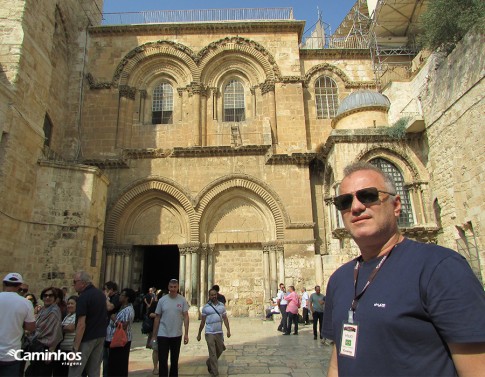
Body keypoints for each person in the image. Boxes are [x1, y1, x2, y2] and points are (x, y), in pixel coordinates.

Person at [323, 162, 485, 377]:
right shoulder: (340, 279)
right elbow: (338, 363)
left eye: (368, 196)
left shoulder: (440, 268)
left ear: (396, 205)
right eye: (344, 201)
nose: (356, 207)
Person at [69, 271, 107, 377]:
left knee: (75, 370)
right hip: (100, 336)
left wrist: (75, 348)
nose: (73, 284)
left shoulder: (83, 297)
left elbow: (81, 324)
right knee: (94, 370)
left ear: (83, 283)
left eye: (74, 282)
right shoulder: (100, 294)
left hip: (86, 338)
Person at [151, 279, 189, 377]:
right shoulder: (162, 300)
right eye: (171, 287)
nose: (173, 289)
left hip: (177, 334)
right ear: (168, 287)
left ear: (177, 287)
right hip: (163, 334)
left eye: (174, 287)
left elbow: (186, 316)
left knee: (174, 360)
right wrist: (154, 336)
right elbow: (157, 318)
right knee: (163, 359)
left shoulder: (182, 300)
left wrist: (186, 334)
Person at [0, 273, 35, 377]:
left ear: (4, 284)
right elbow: (31, 327)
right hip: (11, 354)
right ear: (19, 285)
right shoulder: (26, 303)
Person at [25, 287, 63, 376]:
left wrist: (51, 351)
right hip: (36, 347)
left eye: (50, 295)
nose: (47, 298)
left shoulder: (54, 312)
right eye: (45, 295)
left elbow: (55, 333)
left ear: (55, 298)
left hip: (46, 348)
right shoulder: (43, 310)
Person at [197, 288, 231, 376]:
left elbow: (225, 318)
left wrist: (228, 330)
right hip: (209, 332)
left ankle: (209, 362)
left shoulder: (221, 306)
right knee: (212, 353)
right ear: (209, 296)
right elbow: (203, 321)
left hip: (219, 332)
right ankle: (215, 372)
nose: (214, 296)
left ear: (217, 295)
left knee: (220, 349)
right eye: (212, 295)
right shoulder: (206, 308)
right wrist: (199, 333)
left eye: (215, 295)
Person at [106, 288, 135, 377]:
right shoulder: (122, 307)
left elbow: (124, 326)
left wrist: (114, 319)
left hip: (120, 342)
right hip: (115, 340)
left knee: (118, 367)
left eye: (122, 295)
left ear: (127, 298)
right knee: (114, 366)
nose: (120, 296)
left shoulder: (128, 310)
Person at [53, 296, 78, 377]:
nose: (69, 305)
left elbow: (71, 328)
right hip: (62, 349)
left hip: (70, 350)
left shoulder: (78, 316)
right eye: (68, 304)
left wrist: (60, 328)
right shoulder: (67, 316)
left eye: (72, 304)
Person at [103, 281, 121, 377]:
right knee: (105, 358)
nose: (104, 291)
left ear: (111, 290)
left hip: (113, 332)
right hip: (105, 331)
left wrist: (105, 297)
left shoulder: (116, 298)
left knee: (110, 358)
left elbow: (110, 308)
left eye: (105, 289)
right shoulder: (109, 298)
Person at [145, 290, 163, 375]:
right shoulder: (155, 304)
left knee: (164, 350)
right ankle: (155, 367)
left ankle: (163, 366)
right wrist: (159, 315)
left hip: (167, 330)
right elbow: (149, 314)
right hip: (156, 330)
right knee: (156, 349)